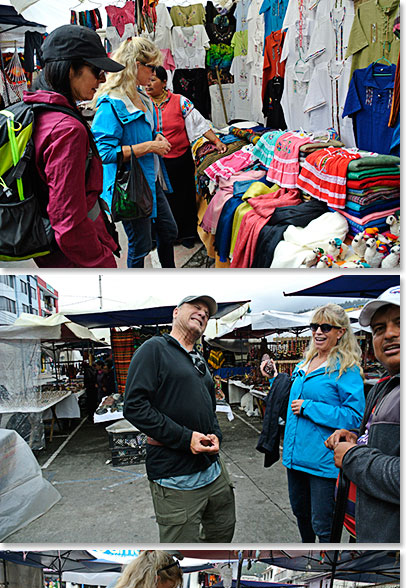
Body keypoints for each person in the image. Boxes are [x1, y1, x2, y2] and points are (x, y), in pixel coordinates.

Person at [123, 295, 236, 544]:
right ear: (175, 313)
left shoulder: (198, 358)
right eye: (196, 307)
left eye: (207, 312)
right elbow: (134, 407)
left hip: (214, 471)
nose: (203, 313)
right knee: (180, 551)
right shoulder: (154, 349)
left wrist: (217, 434)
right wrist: (186, 439)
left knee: (222, 534)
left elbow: (210, 404)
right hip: (176, 478)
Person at [26, 25, 121, 267]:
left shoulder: (37, 112)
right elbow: (68, 220)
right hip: (75, 258)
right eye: (96, 70)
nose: (103, 79)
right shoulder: (68, 130)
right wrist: (102, 261)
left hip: (50, 247)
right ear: (71, 70)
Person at [92, 36, 178, 269]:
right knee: (140, 245)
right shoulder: (111, 104)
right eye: (150, 66)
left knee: (168, 230)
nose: (154, 72)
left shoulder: (141, 97)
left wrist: (155, 138)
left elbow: (145, 133)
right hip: (128, 187)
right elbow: (105, 153)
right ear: (136, 65)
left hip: (149, 181)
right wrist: (150, 147)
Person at [282, 305, 365, 542]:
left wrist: (311, 408)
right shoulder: (305, 364)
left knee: (323, 524)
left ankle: (326, 561)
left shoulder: (345, 369)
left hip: (322, 462)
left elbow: (355, 417)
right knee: (301, 515)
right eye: (314, 326)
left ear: (340, 332)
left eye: (325, 327)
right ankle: (307, 553)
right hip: (294, 459)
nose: (318, 332)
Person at [326, 287, 400, 543]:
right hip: (366, 530)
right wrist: (357, 438)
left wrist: (352, 455)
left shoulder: (348, 371)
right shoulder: (385, 385)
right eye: (379, 329)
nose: (389, 334)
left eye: (400, 323)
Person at [145, 67, 224, 244]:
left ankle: (186, 234)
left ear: (164, 82)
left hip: (179, 159)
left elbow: (199, 124)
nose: (148, 85)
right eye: (147, 81)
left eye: (153, 80)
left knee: (184, 196)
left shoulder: (180, 101)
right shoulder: (143, 103)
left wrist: (217, 142)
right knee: (159, 199)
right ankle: (161, 236)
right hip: (155, 161)